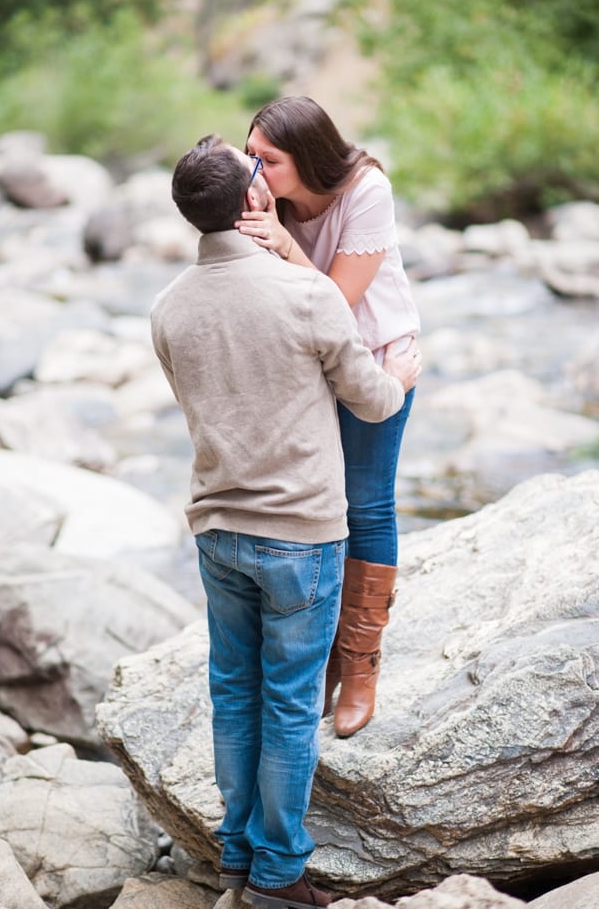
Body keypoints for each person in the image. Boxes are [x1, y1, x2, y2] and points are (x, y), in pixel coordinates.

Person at [150, 134, 421, 909]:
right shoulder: (305, 295)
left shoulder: (168, 307)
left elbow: (195, 402)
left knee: (233, 692)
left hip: (216, 530)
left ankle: (236, 855)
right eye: (257, 174)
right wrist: (398, 375)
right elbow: (370, 400)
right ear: (252, 204)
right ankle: (278, 874)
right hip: (301, 535)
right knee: (292, 700)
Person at [236, 95, 422, 739]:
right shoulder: (260, 196)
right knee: (318, 508)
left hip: (376, 359)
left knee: (367, 505)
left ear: (307, 159)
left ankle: (361, 664)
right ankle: (318, 664)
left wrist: (283, 243)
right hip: (306, 369)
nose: (255, 172)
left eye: (269, 161)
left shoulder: (366, 189)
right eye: (249, 157)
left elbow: (337, 302)